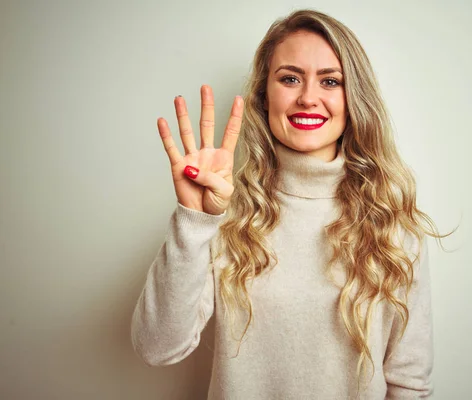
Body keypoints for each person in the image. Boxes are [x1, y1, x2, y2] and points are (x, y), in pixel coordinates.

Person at [131, 8, 449, 400]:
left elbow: (409, 382)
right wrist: (195, 220)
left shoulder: (393, 225)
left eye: (330, 81)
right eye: (290, 78)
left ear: (354, 100)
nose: (308, 98)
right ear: (265, 97)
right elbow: (157, 348)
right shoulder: (224, 214)